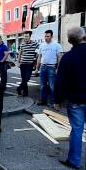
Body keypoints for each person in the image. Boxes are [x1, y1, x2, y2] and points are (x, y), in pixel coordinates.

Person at [54, 27, 86, 169]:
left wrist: (57, 100)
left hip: (76, 100)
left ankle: (74, 161)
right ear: (84, 37)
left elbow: (60, 81)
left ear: (69, 41)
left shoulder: (67, 57)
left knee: (77, 131)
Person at [34, 30, 63, 106]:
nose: (46, 38)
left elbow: (59, 57)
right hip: (43, 67)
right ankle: (43, 101)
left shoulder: (56, 45)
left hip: (52, 67)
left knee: (52, 86)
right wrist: (37, 68)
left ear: (51, 36)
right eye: (45, 36)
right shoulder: (42, 45)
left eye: (48, 36)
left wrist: (58, 68)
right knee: (43, 85)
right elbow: (39, 57)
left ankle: (54, 102)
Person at [17, 31, 39, 96]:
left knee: (27, 78)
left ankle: (19, 88)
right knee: (24, 79)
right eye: (25, 36)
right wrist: (18, 62)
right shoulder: (22, 44)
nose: (25, 38)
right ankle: (25, 93)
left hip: (30, 64)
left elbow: (39, 51)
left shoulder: (35, 44)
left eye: (27, 36)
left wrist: (36, 60)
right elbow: (20, 54)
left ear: (30, 37)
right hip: (22, 64)